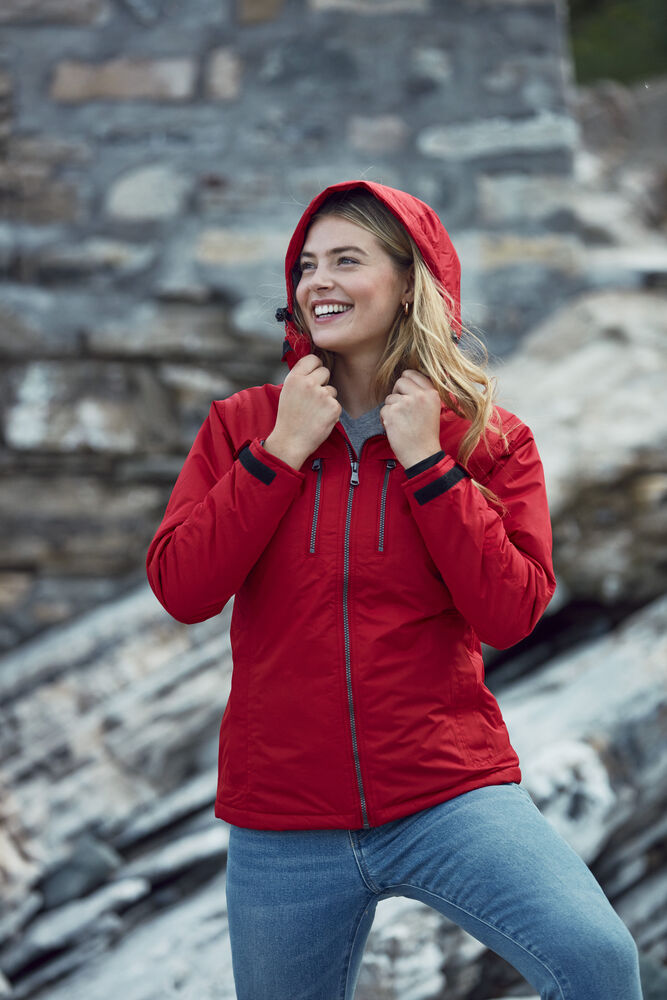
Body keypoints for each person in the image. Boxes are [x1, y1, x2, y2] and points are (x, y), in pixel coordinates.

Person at [145, 180, 643, 1000]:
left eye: (347, 260)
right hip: (282, 818)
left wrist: (428, 465)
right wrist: (280, 452)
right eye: (306, 265)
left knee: (596, 962)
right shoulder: (243, 425)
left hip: (445, 794)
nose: (318, 281)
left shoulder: (486, 439)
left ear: (410, 282)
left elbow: (511, 613)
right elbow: (182, 588)